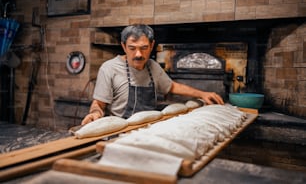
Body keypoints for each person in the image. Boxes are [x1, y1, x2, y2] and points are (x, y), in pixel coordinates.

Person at [81, 24, 224, 125]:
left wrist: (202, 94)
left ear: (151, 45)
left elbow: (171, 86)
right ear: (124, 46)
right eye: (132, 48)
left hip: (150, 129)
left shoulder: (152, 66)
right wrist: (95, 113)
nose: (138, 54)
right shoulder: (109, 68)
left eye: (144, 48)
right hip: (120, 132)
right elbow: (98, 104)